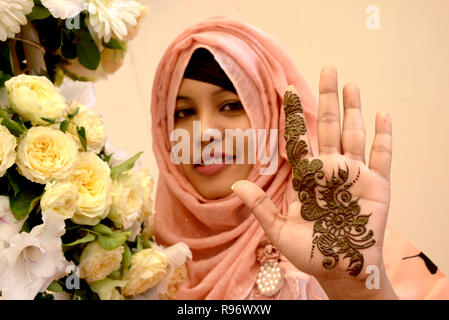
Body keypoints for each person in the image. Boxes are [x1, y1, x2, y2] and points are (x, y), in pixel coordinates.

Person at [149, 15, 449, 299]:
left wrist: (361, 292)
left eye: (230, 106)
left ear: (273, 118)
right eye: (184, 112)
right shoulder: (139, 265)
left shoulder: (342, 238)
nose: (204, 134)